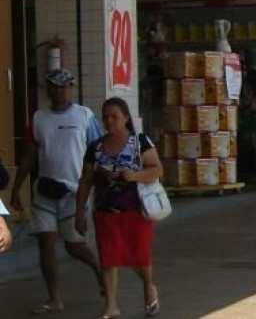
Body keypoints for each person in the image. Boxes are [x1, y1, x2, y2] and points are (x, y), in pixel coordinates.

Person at [10, 69, 104, 315]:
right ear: (48, 89)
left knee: (74, 246)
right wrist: (17, 188)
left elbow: (97, 155)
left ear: (71, 88)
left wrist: (94, 189)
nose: (59, 91)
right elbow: (29, 156)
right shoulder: (38, 118)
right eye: (54, 86)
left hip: (74, 193)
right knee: (46, 243)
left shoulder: (85, 116)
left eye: (64, 86)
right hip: (44, 191)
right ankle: (54, 298)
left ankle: (98, 269)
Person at [75, 97, 162, 319]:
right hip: (105, 211)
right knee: (109, 258)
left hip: (136, 210)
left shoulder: (140, 141)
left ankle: (149, 285)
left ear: (125, 117)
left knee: (139, 256)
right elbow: (85, 180)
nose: (110, 121)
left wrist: (135, 175)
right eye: (106, 117)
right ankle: (111, 305)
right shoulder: (95, 147)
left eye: (114, 116)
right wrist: (80, 211)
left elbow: (157, 169)